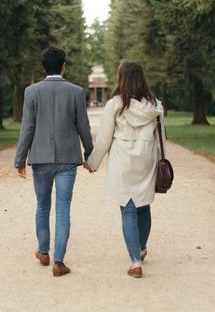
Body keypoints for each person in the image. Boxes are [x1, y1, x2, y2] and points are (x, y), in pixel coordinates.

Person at [14, 46, 94, 277]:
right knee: (63, 208)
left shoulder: (31, 92)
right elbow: (84, 128)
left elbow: (27, 128)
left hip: (40, 158)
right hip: (68, 160)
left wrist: (20, 159)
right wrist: (90, 154)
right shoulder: (76, 92)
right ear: (63, 66)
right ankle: (59, 262)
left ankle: (43, 251)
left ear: (44, 66)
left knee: (42, 205)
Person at [86, 60, 165, 278]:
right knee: (144, 205)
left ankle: (135, 261)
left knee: (128, 207)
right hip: (146, 157)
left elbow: (103, 139)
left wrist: (93, 163)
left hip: (123, 159)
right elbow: (162, 138)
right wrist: (162, 162)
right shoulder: (155, 106)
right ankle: (141, 247)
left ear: (122, 79)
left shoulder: (115, 104)